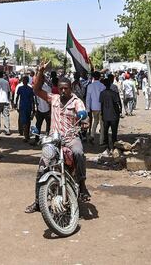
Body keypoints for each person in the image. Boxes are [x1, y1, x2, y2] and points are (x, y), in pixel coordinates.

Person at [25, 61, 91, 213]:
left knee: (79, 153)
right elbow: (36, 90)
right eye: (60, 88)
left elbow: (84, 115)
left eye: (65, 88)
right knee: (42, 167)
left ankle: (82, 185)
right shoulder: (53, 98)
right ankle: (38, 202)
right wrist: (40, 71)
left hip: (70, 137)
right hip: (54, 139)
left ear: (70, 89)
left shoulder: (76, 102)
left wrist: (85, 121)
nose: (62, 91)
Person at [99, 76, 122, 155]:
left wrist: (102, 113)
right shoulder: (114, 93)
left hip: (105, 115)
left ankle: (107, 147)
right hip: (113, 115)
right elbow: (117, 104)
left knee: (105, 131)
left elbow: (101, 105)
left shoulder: (102, 93)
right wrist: (119, 112)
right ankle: (114, 147)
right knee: (114, 132)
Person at [85, 71, 104, 144]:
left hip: (93, 107)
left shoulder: (90, 86)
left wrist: (88, 108)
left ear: (93, 77)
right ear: (99, 77)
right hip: (101, 107)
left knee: (95, 121)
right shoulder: (102, 86)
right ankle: (101, 141)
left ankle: (92, 135)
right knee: (102, 124)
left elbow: (88, 98)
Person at [15, 75, 35, 141]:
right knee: (27, 121)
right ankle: (26, 135)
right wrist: (33, 108)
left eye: (24, 80)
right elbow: (32, 99)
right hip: (26, 106)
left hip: (24, 106)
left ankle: (25, 135)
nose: (24, 81)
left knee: (24, 121)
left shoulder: (21, 88)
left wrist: (15, 104)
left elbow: (18, 97)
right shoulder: (29, 89)